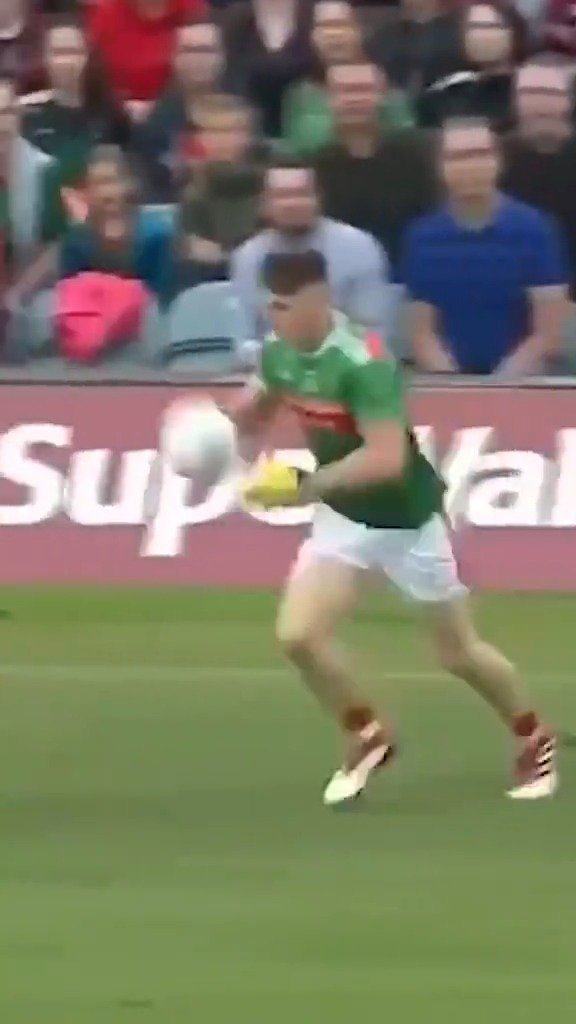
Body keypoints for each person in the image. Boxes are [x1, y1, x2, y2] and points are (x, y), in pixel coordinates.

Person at [228, 249, 557, 806]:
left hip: (407, 520)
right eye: (270, 305)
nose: (274, 316)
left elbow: (386, 459)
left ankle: (533, 736)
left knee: (457, 652)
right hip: (344, 516)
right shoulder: (277, 354)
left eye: (285, 306)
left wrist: (305, 486)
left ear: (318, 299)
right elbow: (255, 411)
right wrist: (225, 431)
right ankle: (367, 734)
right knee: (299, 636)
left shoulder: (365, 362)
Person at [401, 117, 568, 375]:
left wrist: (497, 386)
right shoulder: (421, 237)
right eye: (457, 157)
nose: (470, 166)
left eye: (480, 154)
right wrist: (455, 384)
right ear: (440, 168)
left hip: (522, 380)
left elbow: (547, 336)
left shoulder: (536, 229)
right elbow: (422, 335)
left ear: (499, 162)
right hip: (446, 381)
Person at [230, 160, 393, 349]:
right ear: (263, 204)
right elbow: (244, 339)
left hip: (347, 360)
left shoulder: (358, 246)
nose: (292, 204)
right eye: (282, 195)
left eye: (302, 194)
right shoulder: (247, 257)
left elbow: (373, 332)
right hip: (273, 361)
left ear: (319, 199)